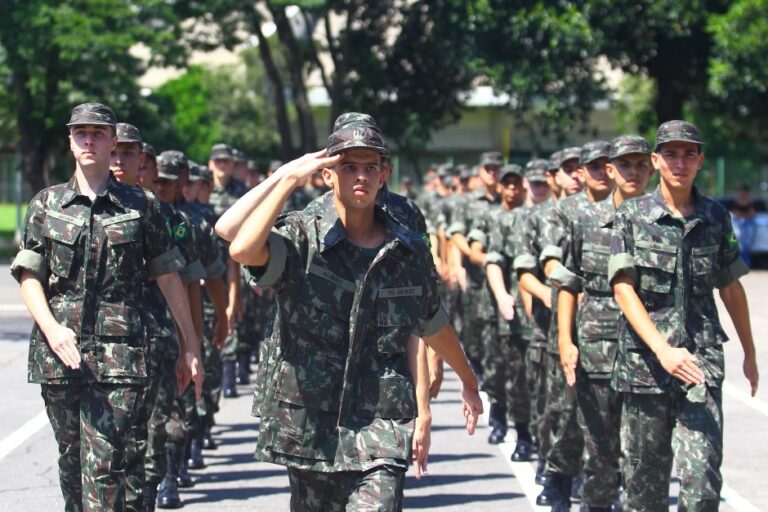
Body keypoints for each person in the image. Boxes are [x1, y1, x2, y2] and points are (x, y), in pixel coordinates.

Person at [215, 122, 483, 511]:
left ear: (384, 174)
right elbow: (239, 245)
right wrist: (287, 177)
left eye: (370, 167)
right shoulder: (302, 238)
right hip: (310, 425)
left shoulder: (404, 250)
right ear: (328, 174)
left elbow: (430, 321)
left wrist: (468, 380)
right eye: (348, 166)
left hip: (381, 423)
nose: (361, 176)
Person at [10, 103, 202, 512]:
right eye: (82, 133)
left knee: (106, 466)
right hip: (60, 358)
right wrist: (52, 329)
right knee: (71, 463)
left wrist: (190, 346)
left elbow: (169, 276)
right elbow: (30, 278)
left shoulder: (142, 206)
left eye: (99, 133)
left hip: (122, 358)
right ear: (70, 141)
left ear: (113, 141)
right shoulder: (46, 205)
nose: (90, 140)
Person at [609, 120, 759, 511]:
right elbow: (623, 288)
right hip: (645, 367)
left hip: (701, 362)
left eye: (689, 153)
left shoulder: (715, 217)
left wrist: (750, 352)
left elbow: (730, 285)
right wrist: (662, 350)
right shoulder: (632, 215)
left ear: (701, 160)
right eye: (671, 154)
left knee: (702, 481)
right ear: (656, 161)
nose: (681, 162)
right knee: (644, 487)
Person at [557, 135, 654, 512]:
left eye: (640, 164)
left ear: (652, 168)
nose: (633, 172)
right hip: (598, 348)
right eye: (624, 165)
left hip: (649, 354)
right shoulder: (586, 221)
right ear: (610, 170)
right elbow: (568, 284)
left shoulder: (663, 223)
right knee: (599, 455)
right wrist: (566, 340)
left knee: (643, 457)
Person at [482, 164, 534, 458]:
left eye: (518, 184)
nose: (513, 189)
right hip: (506, 307)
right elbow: (489, 257)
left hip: (537, 312)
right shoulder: (496, 218)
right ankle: (510, 424)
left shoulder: (538, 215)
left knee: (534, 379)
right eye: (508, 184)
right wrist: (501, 294)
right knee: (504, 368)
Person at [730, 183, 757, 267]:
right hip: (737, 224)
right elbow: (734, 213)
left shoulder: (750, 203)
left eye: (743, 191)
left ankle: (745, 263)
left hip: (746, 224)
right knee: (734, 242)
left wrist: (741, 214)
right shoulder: (736, 202)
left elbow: (751, 214)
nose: (741, 193)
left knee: (745, 244)